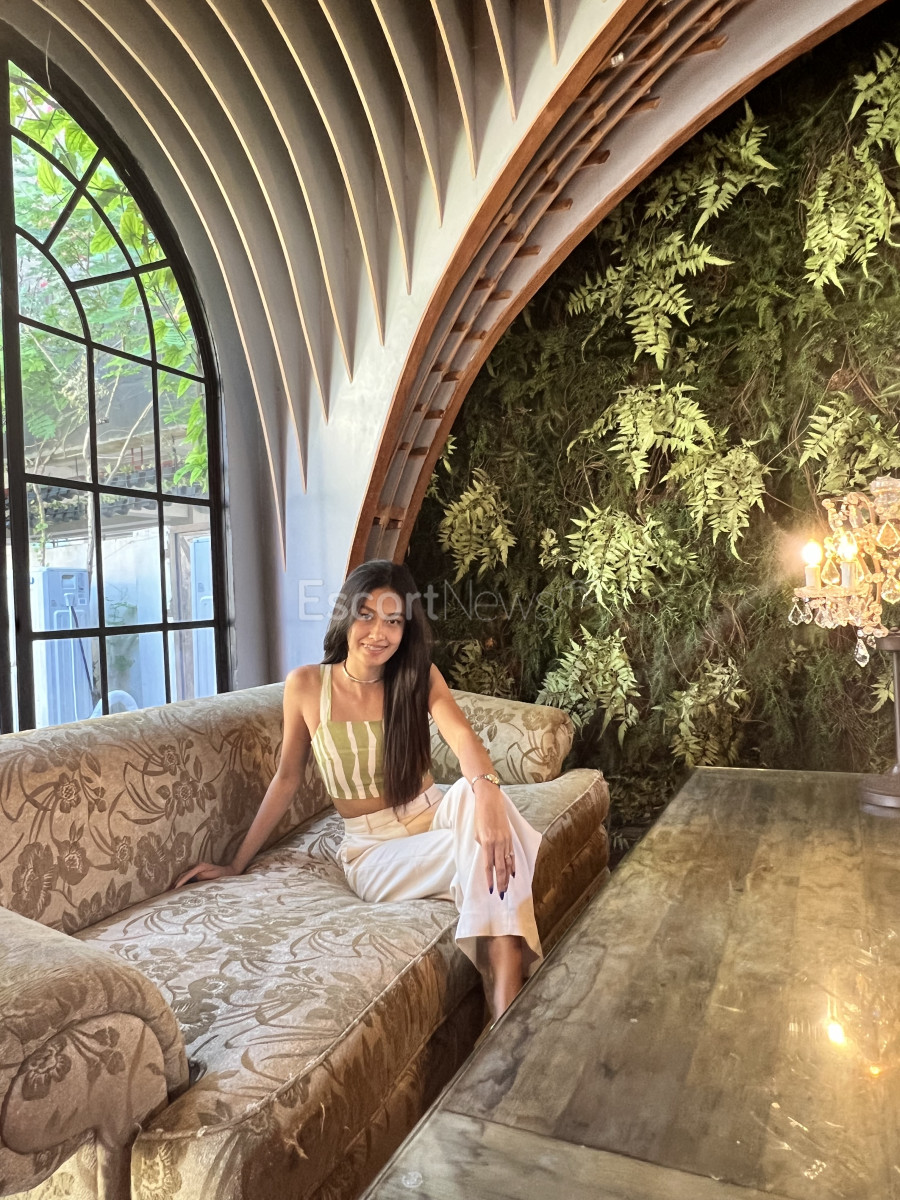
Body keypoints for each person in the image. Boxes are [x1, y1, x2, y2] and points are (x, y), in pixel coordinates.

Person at [175, 560, 543, 1017]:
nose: (378, 633)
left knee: (481, 801)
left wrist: (488, 798)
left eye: (393, 621)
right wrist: (236, 863)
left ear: (406, 629)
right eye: (366, 615)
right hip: (373, 851)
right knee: (496, 847)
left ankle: (501, 991)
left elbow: (464, 738)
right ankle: (506, 989)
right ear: (345, 615)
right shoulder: (306, 685)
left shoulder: (418, 676)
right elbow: (287, 778)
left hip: (434, 813)